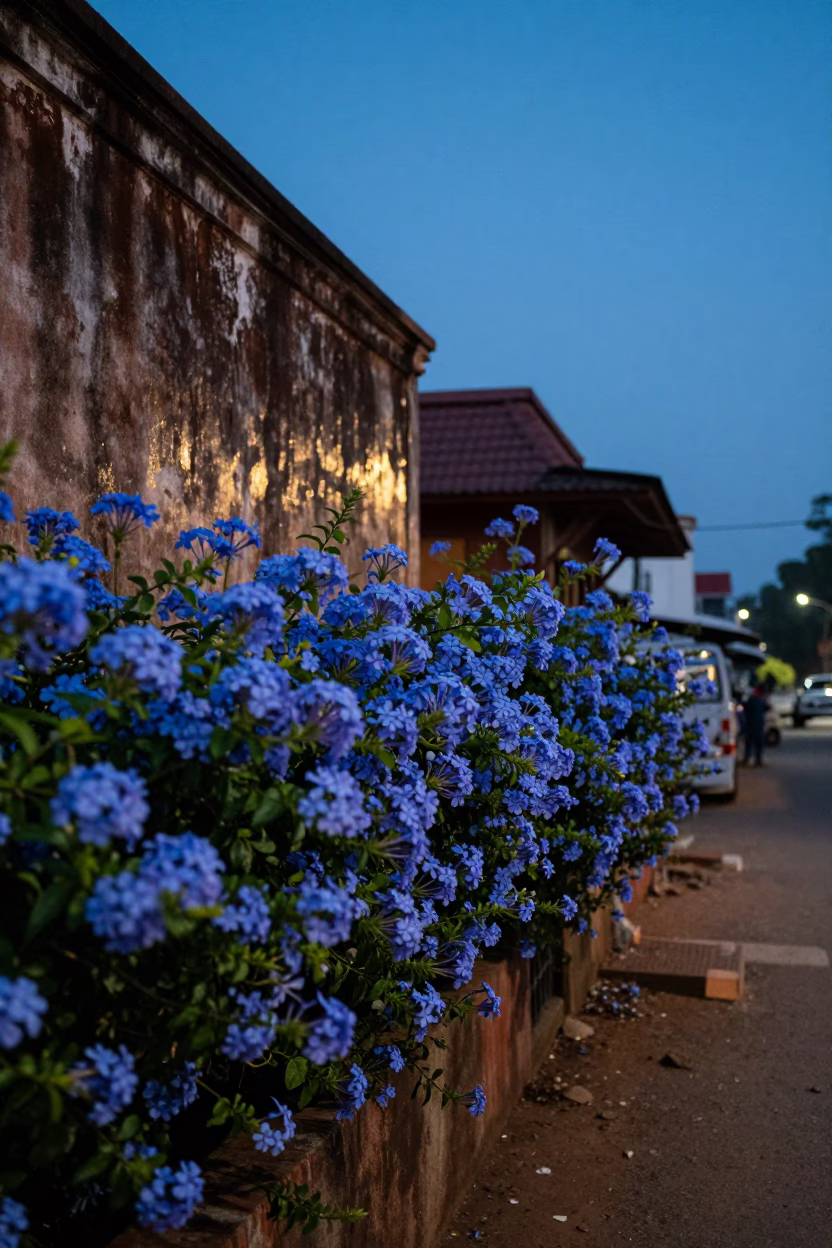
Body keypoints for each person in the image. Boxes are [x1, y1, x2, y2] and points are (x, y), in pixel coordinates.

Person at [742, 685, 769, 766]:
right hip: (756, 726)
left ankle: (748, 759)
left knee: (751, 744)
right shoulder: (758, 701)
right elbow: (767, 708)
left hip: (751, 725)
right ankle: (756, 760)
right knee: (757, 744)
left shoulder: (752, 700)